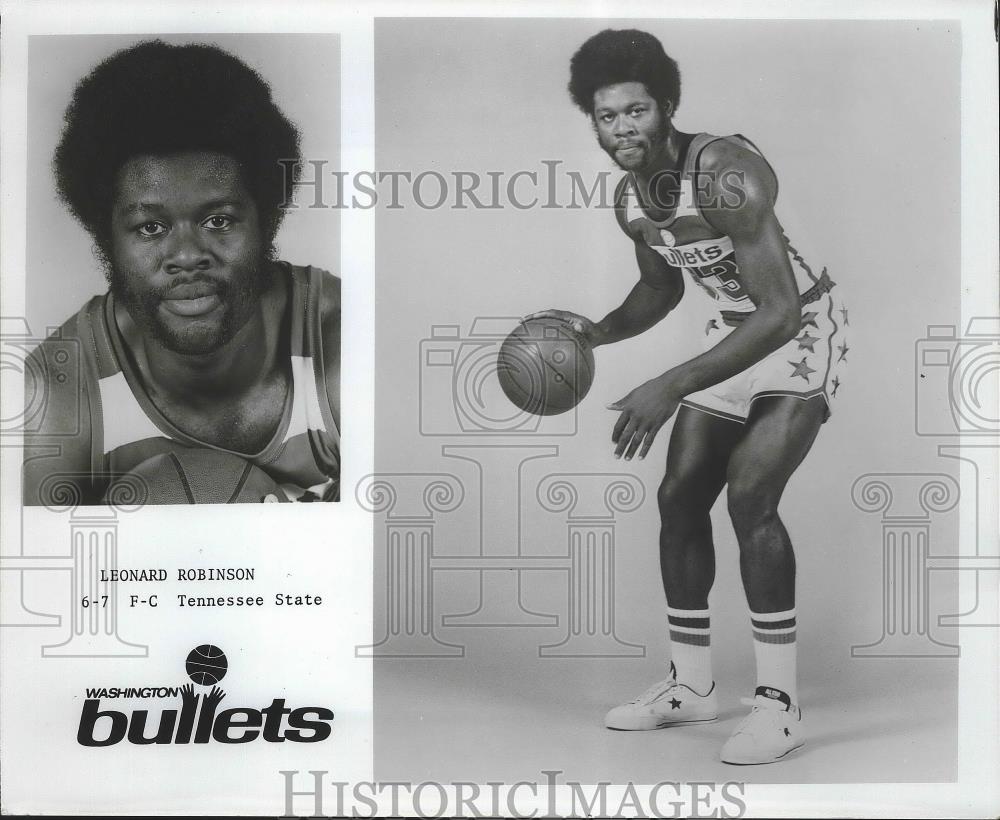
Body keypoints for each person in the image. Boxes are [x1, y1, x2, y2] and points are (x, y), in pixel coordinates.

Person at [532, 29, 848, 764]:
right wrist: (596, 334)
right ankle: (692, 684)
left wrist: (671, 383)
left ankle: (780, 704)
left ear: (666, 105)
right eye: (607, 118)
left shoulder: (725, 174)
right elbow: (661, 286)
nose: (622, 130)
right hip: (733, 329)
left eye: (635, 112)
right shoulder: (633, 198)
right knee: (678, 495)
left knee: (750, 492)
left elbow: (780, 312)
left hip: (801, 325)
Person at [23, 40, 340, 505]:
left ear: (265, 218)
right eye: (150, 227)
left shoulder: (340, 340)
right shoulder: (55, 394)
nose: (188, 255)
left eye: (218, 220)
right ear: (107, 236)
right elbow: (45, 576)